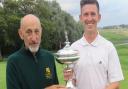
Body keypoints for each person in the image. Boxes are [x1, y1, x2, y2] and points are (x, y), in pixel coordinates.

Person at [64, 0, 124, 89]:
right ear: (80, 18)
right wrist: (68, 79)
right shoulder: (73, 48)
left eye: (93, 14)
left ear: (99, 17)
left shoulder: (109, 47)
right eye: (86, 14)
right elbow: (72, 82)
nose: (89, 18)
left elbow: (115, 83)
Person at [6, 14, 66, 89]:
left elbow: (54, 86)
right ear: (21, 34)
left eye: (37, 31)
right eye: (29, 32)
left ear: (41, 31)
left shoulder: (49, 57)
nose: (34, 38)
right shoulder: (13, 61)